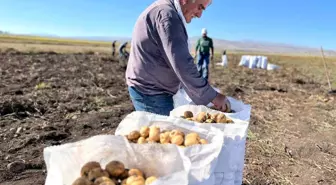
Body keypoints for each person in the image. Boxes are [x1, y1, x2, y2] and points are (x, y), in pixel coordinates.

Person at [125, 0, 231, 116]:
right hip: (151, 93)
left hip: (155, 90)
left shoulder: (166, 11)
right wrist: (212, 96)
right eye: (200, 7)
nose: (199, 15)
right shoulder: (166, 15)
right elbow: (182, 63)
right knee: (162, 131)